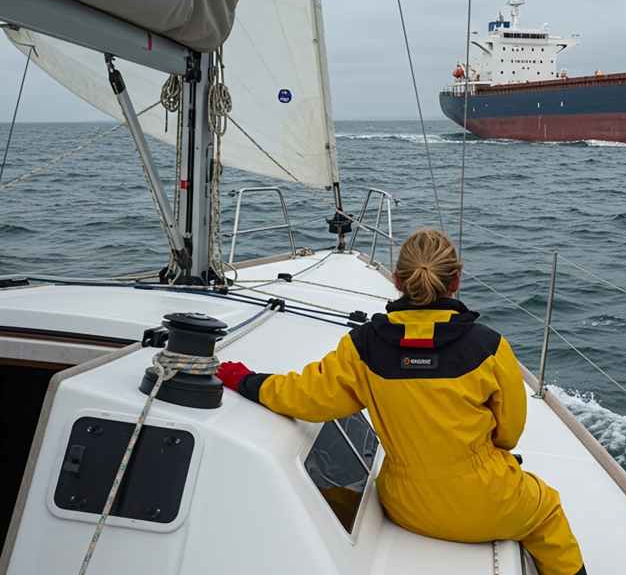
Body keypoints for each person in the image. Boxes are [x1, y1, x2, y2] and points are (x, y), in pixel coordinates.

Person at [217, 229, 586, 575]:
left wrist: (243, 379)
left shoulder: (363, 346)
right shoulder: (488, 348)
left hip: (406, 506)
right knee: (549, 512)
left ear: (398, 280)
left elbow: (306, 397)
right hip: (488, 504)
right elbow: (510, 432)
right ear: (456, 280)